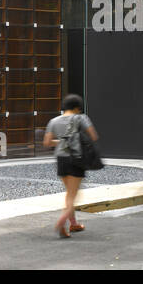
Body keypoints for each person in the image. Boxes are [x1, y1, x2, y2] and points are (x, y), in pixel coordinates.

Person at [43, 94, 99, 238]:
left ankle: (73, 224)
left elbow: (47, 143)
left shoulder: (53, 121)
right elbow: (93, 136)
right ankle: (61, 222)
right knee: (73, 196)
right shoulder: (81, 118)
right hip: (76, 158)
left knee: (69, 193)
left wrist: (62, 142)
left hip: (60, 158)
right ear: (77, 108)